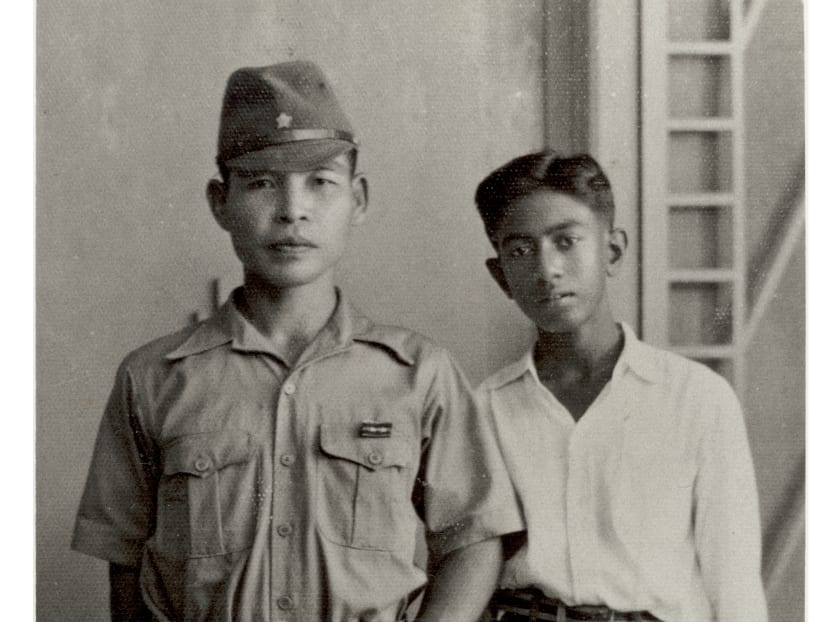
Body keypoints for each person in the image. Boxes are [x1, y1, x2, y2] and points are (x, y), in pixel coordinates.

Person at [72, 60, 523, 622]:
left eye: (320, 182)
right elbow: (126, 564)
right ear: (219, 202)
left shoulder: (419, 373)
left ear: (358, 199)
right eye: (261, 182)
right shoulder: (153, 378)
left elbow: (475, 540)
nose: (292, 210)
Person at [474, 150, 767, 622]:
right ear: (501, 276)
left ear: (612, 251)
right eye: (521, 251)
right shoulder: (483, 410)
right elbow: (466, 568)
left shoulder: (696, 398)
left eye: (566, 241)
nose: (547, 269)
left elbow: (735, 588)